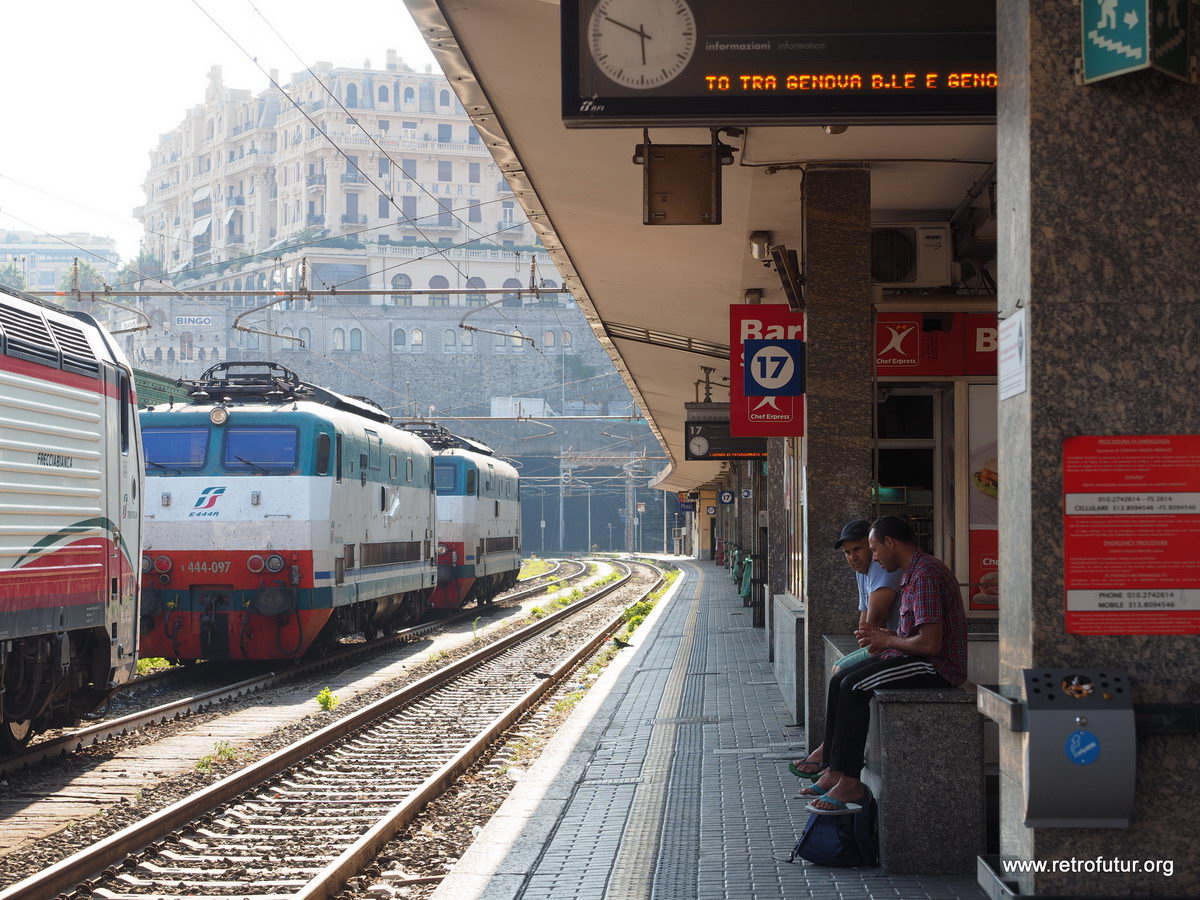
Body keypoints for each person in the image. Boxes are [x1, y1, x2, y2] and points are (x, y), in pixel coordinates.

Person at [805, 515, 968, 814]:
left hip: (937, 667)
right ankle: (837, 770)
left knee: (854, 687)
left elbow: (930, 645)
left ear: (889, 542)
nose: (874, 558)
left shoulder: (925, 574)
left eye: (874, 549)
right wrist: (890, 637)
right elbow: (915, 634)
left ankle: (850, 780)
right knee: (842, 680)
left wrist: (888, 640)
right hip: (915, 656)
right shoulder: (914, 571)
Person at [790, 519, 902, 780]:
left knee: (844, 674)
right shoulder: (863, 572)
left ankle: (834, 759)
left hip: (898, 646)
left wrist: (870, 633)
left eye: (859, 549)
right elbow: (864, 628)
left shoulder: (882, 568)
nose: (853, 557)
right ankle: (830, 753)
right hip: (886, 644)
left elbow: (873, 623)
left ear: (876, 547)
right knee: (842, 673)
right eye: (848, 552)